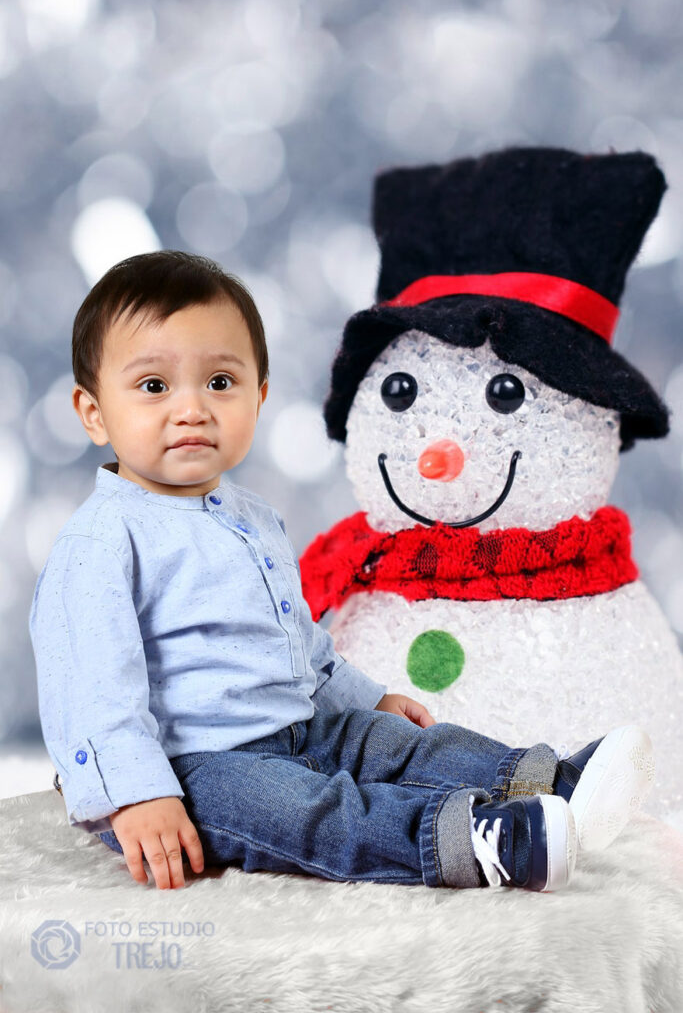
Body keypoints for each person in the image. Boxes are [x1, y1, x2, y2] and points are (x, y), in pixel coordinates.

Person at [28, 250, 654, 894]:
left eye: (219, 382)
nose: (191, 409)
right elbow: (89, 687)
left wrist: (365, 699)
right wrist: (135, 793)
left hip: (307, 727)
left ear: (259, 396)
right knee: (316, 814)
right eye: (154, 386)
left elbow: (298, 643)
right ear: (93, 412)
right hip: (197, 768)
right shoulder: (102, 542)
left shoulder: (253, 516)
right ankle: (480, 841)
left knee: (402, 744)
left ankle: (553, 783)